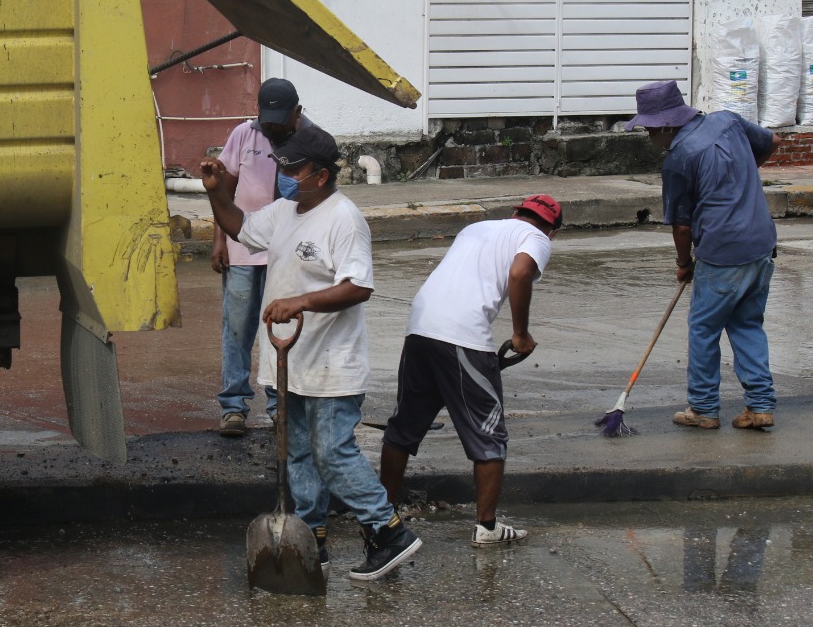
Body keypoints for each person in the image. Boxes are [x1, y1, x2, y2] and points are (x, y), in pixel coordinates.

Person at [199, 124, 421, 581]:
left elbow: (358, 286)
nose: (284, 174)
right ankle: (311, 537)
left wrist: (299, 302)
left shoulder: (344, 218)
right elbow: (240, 227)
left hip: (331, 363)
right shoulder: (285, 210)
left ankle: (389, 532)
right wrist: (218, 193)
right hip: (290, 362)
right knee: (298, 453)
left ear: (319, 175)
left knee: (331, 452)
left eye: (292, 168)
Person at [378, 195, 561, 547]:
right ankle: (487, 528)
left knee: (403, 427)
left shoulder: (476, 228)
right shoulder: (536, 238)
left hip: (420, 326)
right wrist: (520, 333)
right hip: (462, 335)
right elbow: (520, 272)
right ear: (552, 232)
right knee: (489, 433)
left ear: (515, 213)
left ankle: (382, 517)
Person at [625, 80, 780, 431]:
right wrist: (744, 177)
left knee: (704, 329)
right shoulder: (727, 120)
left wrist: (683, 265)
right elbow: (771, 141)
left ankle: (704, 408)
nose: (649, 138)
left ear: (666, 125)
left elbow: (681, 227)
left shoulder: (679, 159)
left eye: (649, 130)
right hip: (760, 244)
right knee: (747, 324)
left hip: (723, 253)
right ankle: (759, 406)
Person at [212, 78, 312, 438]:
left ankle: (278, 404)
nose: (269, 127)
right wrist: (219, 240)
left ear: (296, 114)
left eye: (277, 120)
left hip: (285, 254)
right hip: (241, 249)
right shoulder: (243, 134)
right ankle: (233, 406)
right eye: (265, 118)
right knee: (237, 329)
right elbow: (222, 190)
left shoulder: (309, 140)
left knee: (281, 330)